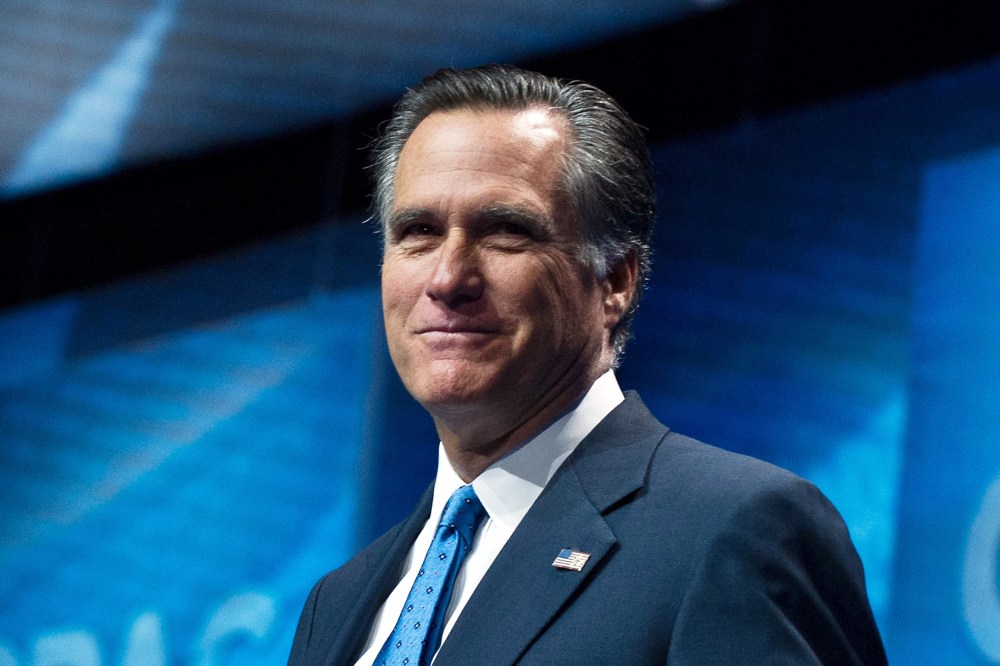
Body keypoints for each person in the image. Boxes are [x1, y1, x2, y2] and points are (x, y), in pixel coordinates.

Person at [287, 64, 887, 665]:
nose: (448, 279)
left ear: (615, 280)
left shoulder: (734, 529)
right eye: (418, 231)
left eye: (505, 232)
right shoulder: (336, 604)